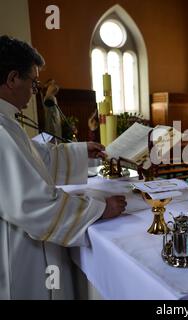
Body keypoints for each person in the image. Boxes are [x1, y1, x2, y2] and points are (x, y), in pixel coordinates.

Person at [0, 35, 127, 299]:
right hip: (20, 250)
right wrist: (100, 209)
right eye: (33, 83)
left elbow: (35, 159)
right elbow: (32, 202)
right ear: (12, 79)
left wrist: (81, 152)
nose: (35, 91)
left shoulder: (6, 122)